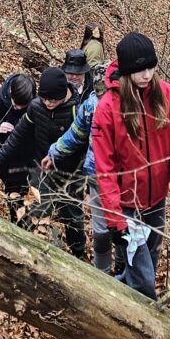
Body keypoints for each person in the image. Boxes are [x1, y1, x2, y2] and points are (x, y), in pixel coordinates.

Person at [91, 33, 170, 299]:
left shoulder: (168, 96)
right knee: (141, 274)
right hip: (127, 204)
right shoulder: (108, 108)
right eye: (139, 70)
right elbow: (105, 168)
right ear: (126, 71)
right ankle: (138, 312)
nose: (147, 75)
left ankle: (121, 292)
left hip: (157, 199)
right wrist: (115, 220)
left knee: (150, 256)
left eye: (150, 67)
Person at [0, 67, 86, 257]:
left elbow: (86, 146)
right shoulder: (36, 107)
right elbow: (17, 136)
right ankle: (30, 252)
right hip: (41, 171)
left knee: (72, 217)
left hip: (70, 174)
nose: (48, 103)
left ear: (64, 95)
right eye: (44, 99)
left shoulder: (77, 111)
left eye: (53, 100)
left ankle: (79, 255)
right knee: (34, 211)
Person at [43, 64, 125, 275]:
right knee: (103, 229)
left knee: (120, 226)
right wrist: (54, 152)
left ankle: (120, 270)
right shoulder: (90, 106)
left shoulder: (127, 107)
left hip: (122, 178)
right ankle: (104, 272)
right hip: (98, 175)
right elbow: (76, 134)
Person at [0, 72, 36, 222]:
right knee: (13, 197)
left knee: (25, 199)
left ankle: (23, 225)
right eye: (15, 103)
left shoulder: (35, 106)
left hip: (26, 160)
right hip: (3, 159)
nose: (16, 108)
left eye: (21, 106)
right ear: (11, 90)